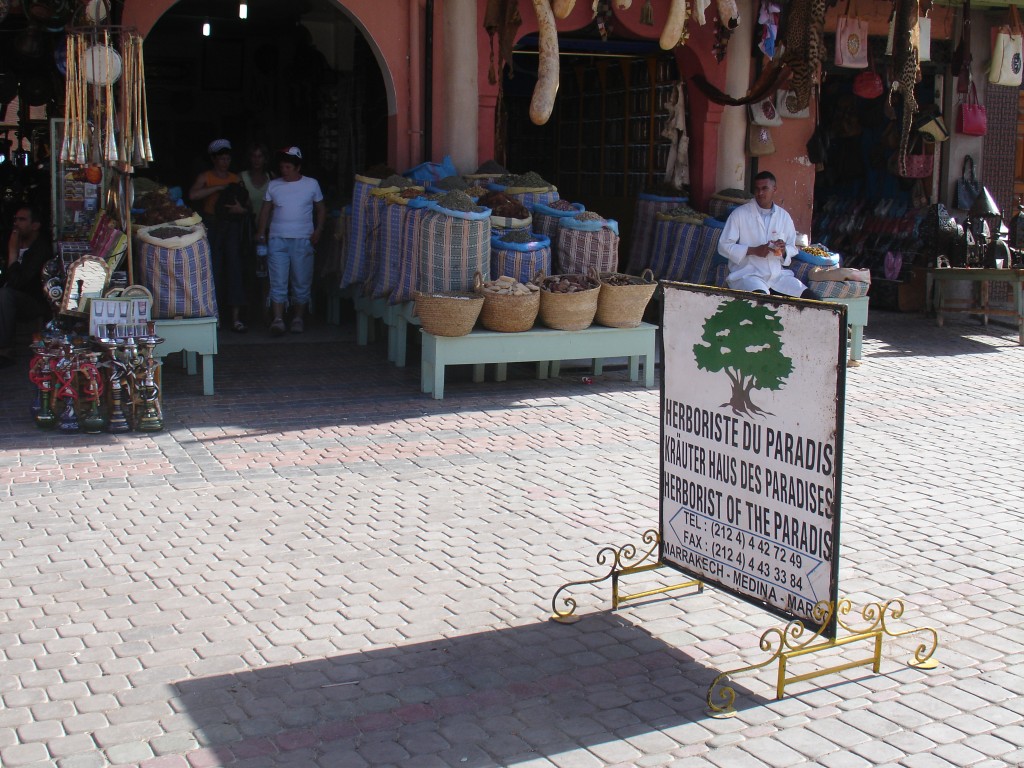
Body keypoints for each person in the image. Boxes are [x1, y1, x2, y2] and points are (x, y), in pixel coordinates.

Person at [255, 146, 326, 336]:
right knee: (277, 281)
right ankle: (278, 319)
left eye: (288, 167)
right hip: (277, 239)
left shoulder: (311, 184)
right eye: (282, 167)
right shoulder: (274, 185)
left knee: (301, 281)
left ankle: (298, 318)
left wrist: (319, 229)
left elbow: (321, 209)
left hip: (303, 239)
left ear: (298, 167)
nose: (284, 171)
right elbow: (265, 210)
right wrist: (261, 233)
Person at [718, 171, 816, 298]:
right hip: (748, 276)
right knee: (762, 303)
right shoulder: (739, 214)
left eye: (765, 188)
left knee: (811, 299)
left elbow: (792, 248)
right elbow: (723, 246)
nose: (760, 193)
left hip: (777, 277)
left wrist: (783, 249)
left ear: (774, 189)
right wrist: (753, 250)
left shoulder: (784, 217)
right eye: (757, 189)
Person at [189, 139, 249, 333]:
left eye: (227, 158)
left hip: (231, 227)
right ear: (214, 159)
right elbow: (193, 195)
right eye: (221, 158)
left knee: (234, 268)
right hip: (212, 226)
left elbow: (245, 203)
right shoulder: (205, 177)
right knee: (212, 270)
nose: (225, 162)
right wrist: (218, 188)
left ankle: (236, 318)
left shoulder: (235, 177)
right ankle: (214, 315)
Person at [0, 204, 51, 367]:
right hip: (11, 296)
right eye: (15, 219)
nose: (16, 223)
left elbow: (19, 283)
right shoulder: (10, 240)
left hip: (32, 301)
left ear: (35, 225)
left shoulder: (40, 249)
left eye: (22, 219)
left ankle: (4, 349)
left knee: (5, 295)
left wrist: (13, 254)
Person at [240, 142, 272, 312]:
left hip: (268, 231)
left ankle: (266, 311)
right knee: (248, 272)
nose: (257, 160)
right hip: (247, 231)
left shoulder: (272, 178)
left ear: (265, 159)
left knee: (267, 273)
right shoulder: (242, 178)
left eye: (260, 156)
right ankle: (248, 311)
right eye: (253, 156)